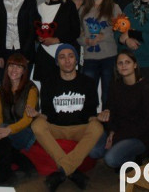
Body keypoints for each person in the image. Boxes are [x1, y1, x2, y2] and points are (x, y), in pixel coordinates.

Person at [26, 44, 103, 191]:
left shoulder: (88, 82)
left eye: (71, 56)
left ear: (76, 60)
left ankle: (63, 171)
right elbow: (48, 114)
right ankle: (72, 171)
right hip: (56, 128)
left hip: (80, 128)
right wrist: (38, 115)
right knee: (37, 124)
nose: (67, 60)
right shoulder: (48, 83)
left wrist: (99, 118)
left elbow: (90, 114)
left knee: (97, 127)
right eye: (62, 57)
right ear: (57, 62)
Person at [89, 50, 149, 169]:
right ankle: (118, 150)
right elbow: (110, 111)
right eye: (120, 63)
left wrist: (116, 137)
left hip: (138, 136)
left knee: (111, 159)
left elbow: (148, 123)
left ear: (135, 65)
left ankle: (133, 159)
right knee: (93, 152)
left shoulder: (146, 87)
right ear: (117, 67)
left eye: (127, 62)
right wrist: (111, 131)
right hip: (116, 131)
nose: (123, 65)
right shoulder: (115, 85)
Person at [0, 53, 38, 187]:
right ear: (6, 68)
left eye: (19, 67)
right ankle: (27, 165)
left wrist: (8, 130)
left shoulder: (31, 89)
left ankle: (3, 176)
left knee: (2, 138)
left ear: (24, 71)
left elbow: (27, 119)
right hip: (7, 131)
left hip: (26, 132)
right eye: (11, 66)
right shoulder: (1, 91)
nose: (14, 70)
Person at [80, 0, 121, 108]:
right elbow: (77, 35)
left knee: (108, 95)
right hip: (90, 58)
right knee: (89, 95)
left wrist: (104, 36)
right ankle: (91, 120)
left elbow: (121, 32)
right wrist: (86, 40)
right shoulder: (83, 10)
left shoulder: (114, 8)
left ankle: (108, 121)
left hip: (109, 57)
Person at [33, 0, 80, 82]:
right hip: (45, 55)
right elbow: (35, 29)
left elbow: (75, 31)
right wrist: (38, 37)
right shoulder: (40, 7)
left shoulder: (69, 5)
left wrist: (56, 40)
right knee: (46, 88)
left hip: (64, 54)